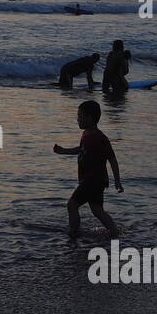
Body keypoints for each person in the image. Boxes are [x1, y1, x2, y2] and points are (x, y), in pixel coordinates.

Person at [53, 99, 123, 240]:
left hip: (92, 181)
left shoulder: (100, 138)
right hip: (93, 181)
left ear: (90, 118)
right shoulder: (86, 134)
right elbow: (81, 150)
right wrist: (64, 151)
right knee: (97, 210)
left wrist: (117, 181)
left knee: (72, 205)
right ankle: (114, 232)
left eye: (80, 117)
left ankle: (74, 232)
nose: (77, 119)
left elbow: (112, 159)